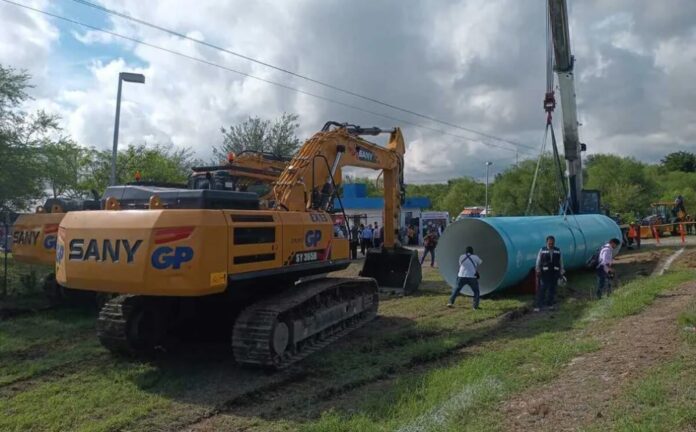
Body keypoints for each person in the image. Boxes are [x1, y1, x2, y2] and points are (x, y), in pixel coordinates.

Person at [534, 235, 564, 312]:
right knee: (542, 289)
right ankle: (539, 305)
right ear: (546, 242)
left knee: (552, 289)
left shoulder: (558, 250)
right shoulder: (542, 250)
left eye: (552, 243)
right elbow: (538, 260)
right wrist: (537, 270)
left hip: (554, 273)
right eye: (549, 243)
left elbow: (561, 262)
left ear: (554, 243)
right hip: (544, 273)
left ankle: (550, 304)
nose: (551, 244)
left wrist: (561, 272)